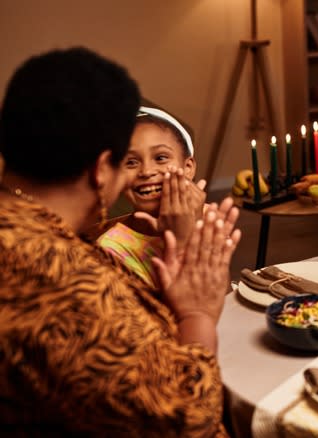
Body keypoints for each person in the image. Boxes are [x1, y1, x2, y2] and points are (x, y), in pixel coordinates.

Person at [0, 47, 241, 436]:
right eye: (127, 163)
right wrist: (195, 314)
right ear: (101, 170)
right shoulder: (65, 282)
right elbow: (188, 417)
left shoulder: (37, 232)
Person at [98, 104, 206, 288]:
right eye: (131, 162)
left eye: (161, 158)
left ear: (188, 168)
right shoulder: (109, 252)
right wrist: (182, 241)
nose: (147, 171)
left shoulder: (206, 217)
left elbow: (222, 297)